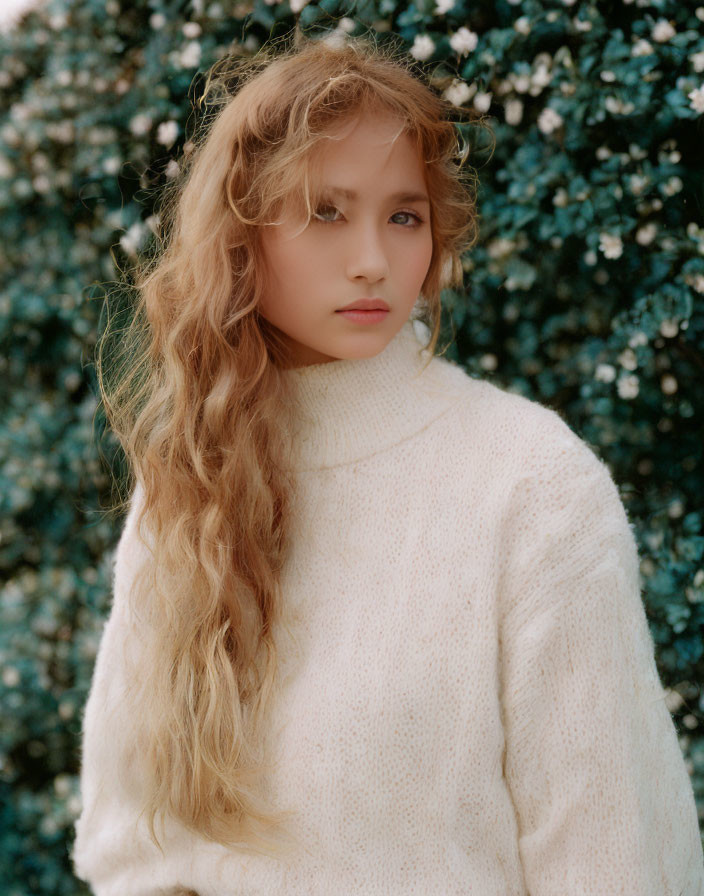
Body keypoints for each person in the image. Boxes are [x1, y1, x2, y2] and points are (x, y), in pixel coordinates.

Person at [71, 31, 704, 896]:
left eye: (403, 215)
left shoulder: (529, 484)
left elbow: (616, 858)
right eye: (327, 210)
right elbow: (126, 839)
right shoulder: (187, 476)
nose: (373, 259)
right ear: (242, 235)